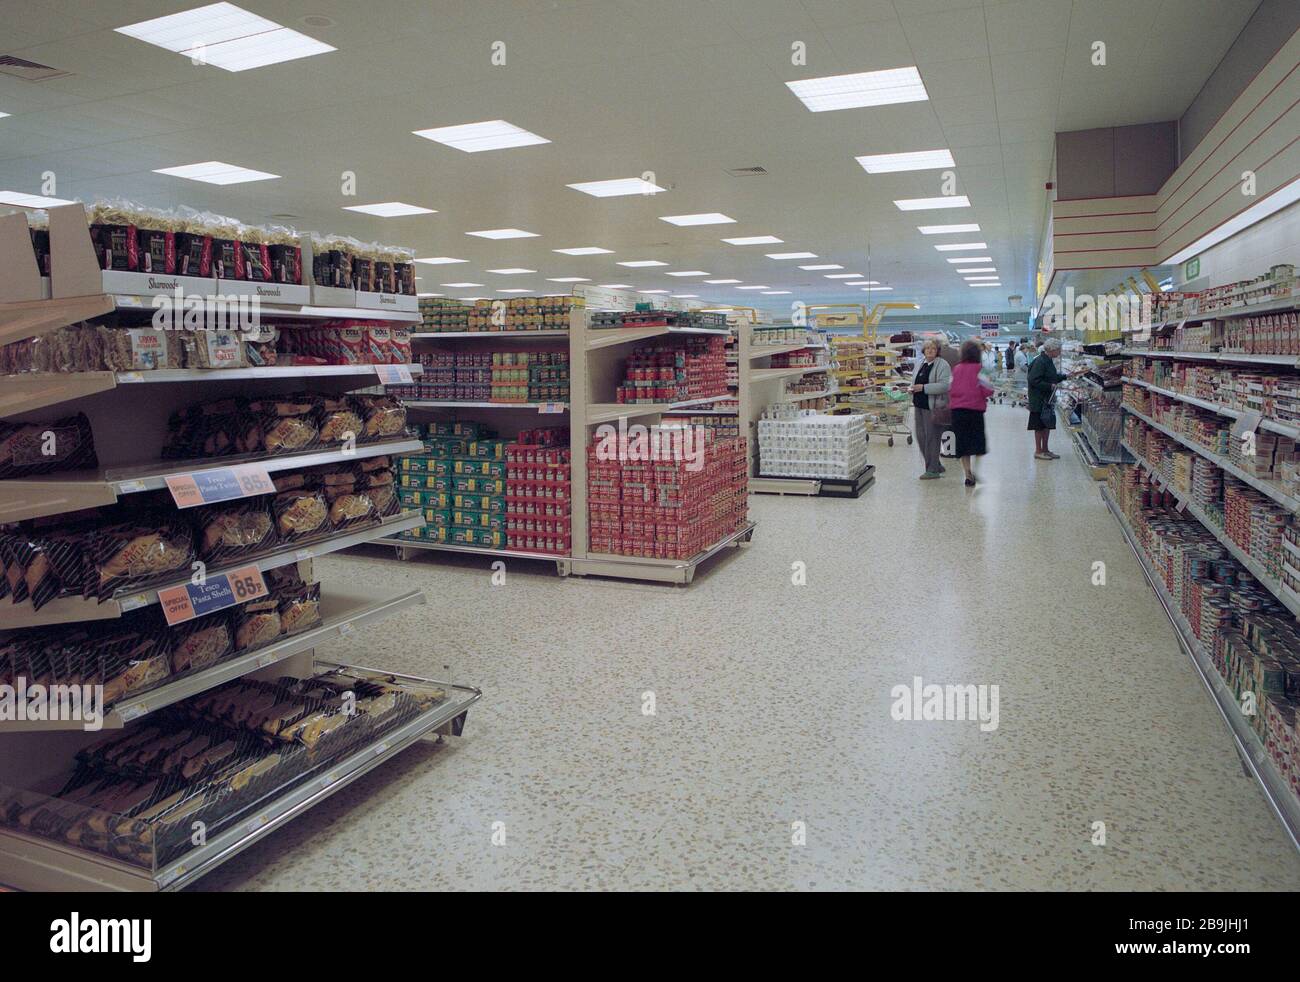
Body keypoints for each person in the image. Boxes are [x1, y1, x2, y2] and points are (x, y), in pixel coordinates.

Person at [949, 339, 995, 486]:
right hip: (975, 411)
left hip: (957, 411)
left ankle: (967, 473)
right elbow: (988, 389)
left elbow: (950, 387)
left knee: (963, 443)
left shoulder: (956, 369)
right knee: (977, 443)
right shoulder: (979, 369)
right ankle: (975, 470)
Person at [906, 337, 951, 479]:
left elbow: (945, 385)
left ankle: (932, 470)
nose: (930, 350)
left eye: (933, 348)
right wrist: (912, 388)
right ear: (923, 351)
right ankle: (935, 463)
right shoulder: (921, 363)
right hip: (919, 405)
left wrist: (924, 388)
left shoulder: (942, 364)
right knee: (921, 437)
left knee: (932, 438)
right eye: (927, 348)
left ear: (937, 351)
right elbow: (915, 382)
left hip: (933, 407)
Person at [1027, 337, 1078, 459]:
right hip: (1039, 400)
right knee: (1039, 425)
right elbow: (1033, 380)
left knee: (1046, 424)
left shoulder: (1048, 360)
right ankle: (1038, 451)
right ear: (1051, 349)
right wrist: (1050, 386)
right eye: (1058, 350)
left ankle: (1045, 449)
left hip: (1046, 399)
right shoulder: (1039, 361)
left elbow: (1051, 376)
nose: (1060, 352)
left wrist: (1065, 376)